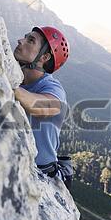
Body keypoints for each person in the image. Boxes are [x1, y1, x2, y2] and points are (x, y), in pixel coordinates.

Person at [13, 26, 72, 189]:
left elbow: (41, 107)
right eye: (25, 37)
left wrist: (9, 87)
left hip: (42, 174)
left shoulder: (53, 88)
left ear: (44, 57)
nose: (20, 41)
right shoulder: (17, 76)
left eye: (30, 40)